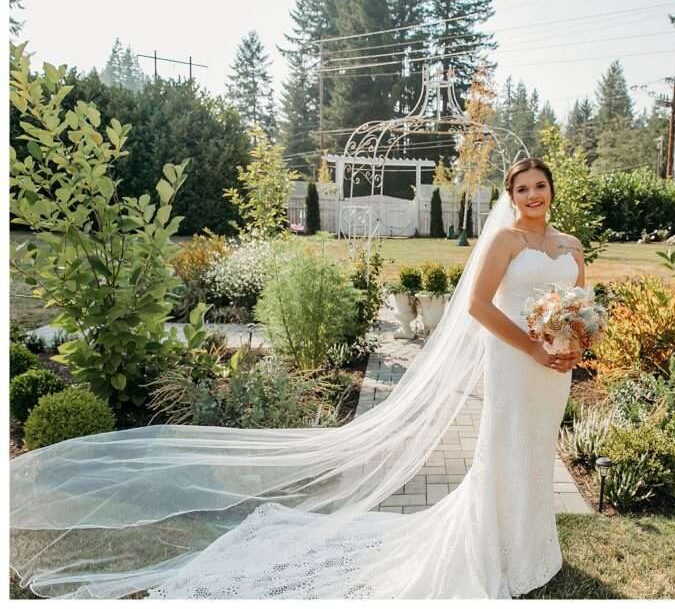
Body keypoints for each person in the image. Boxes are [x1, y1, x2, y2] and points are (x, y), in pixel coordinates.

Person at [10, 158, 586, 599]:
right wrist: (533, 346)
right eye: (522, 188)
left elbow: (582, 303)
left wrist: (574, 344)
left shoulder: (571, 245)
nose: (533, 195)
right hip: (515, 361)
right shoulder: (505, 242)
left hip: (553, 369)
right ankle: (496, 552)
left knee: (537, 453)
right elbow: (480, 308)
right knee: (505, 449)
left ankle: (535, 551)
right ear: (510, 197)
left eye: (540, 186)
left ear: (552, 190)